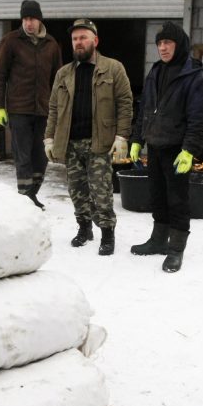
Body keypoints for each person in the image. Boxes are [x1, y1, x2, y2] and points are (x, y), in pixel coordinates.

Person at [129, 21, 203, 273]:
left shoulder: (194, 75)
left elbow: (201, 116)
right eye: (160, 43)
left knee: (177, 200)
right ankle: (157, 241)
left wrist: (189, 150)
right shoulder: (156, 71)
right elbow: (144, 108)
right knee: (157, 196)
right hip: (155, 146)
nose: (163, 48)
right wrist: (136, 140)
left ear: (179, 45)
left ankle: (175, 249)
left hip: (177, 150)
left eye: (168, 43)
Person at [44, 19, 132, 255]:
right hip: (71, 143)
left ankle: (107, 234)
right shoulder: (64, 73)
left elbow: (125, 104)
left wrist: (122, 136)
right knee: (77, 190)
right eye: (75, 39)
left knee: (101, 192)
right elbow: (53, 107)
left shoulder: (113, 68)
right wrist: (49, 138)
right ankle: (84, 229)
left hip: (99, 143)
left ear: (95, 40)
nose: (78, 42)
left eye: (83, 37)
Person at [0, 0, 63, 208]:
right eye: (24, 19)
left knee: (41, 156)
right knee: (22, 156)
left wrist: (59, 108)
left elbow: (58, 79)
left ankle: (32, 194)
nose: (28, 23)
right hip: (18, 109)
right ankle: (25, 198)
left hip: (43, 110)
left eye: (32, 18)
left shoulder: (51, 44)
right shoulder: (11, 41)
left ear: (39, 19)